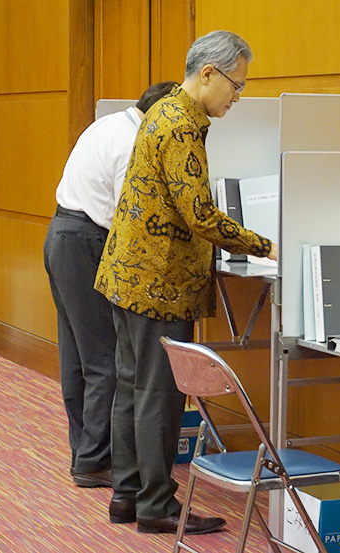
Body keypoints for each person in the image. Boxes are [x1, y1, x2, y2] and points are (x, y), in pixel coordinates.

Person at [94, 30, 278, 535]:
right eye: (236, 86)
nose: (238, 98)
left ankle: (128, 496)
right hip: (159, 282)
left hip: (130, 274)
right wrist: (264, 245)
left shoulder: (166, 112)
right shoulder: (181, 126)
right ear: (209, 74)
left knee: (132, 386)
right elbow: (198, 213)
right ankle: (157, 504)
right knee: (159, 394)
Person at [44, 81, 177, 488]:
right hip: (87, 242)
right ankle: (94, 462)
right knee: (105, 360)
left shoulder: (107, 124)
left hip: (61, 234)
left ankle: (84, 454)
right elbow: (132, 215)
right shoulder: (133, 144)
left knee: (77, 356)